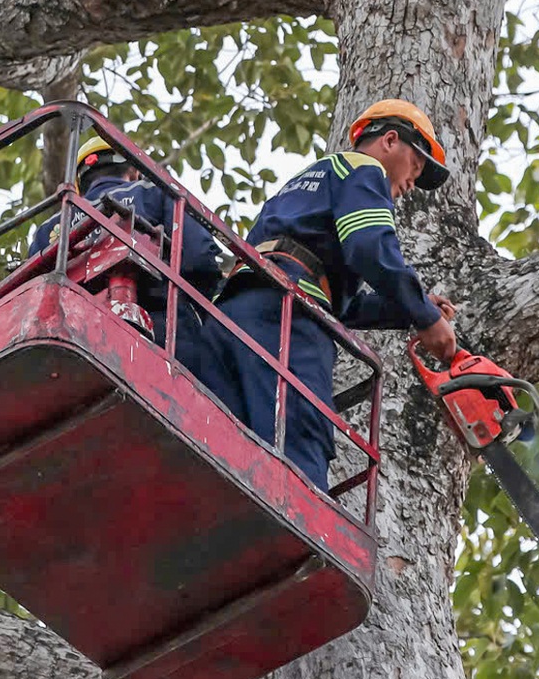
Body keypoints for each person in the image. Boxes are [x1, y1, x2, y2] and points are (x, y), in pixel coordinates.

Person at [214, 99, 459, 489]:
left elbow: (337, 303)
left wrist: (407, 311)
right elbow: (368, 246)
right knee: (297, 441)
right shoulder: (364, 169)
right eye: (415, 165)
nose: (412, 183)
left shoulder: (305, 184)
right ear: (390, 141)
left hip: (235, 309)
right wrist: (426, 318)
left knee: (222, 432)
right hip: (288, 321)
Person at [30, 135, 228, 384]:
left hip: (69, 348)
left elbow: (32, 299)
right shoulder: (155, 193)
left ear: (80, 183)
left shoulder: (48, 230)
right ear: (134, 171)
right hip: (164, 337)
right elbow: (199, 257)